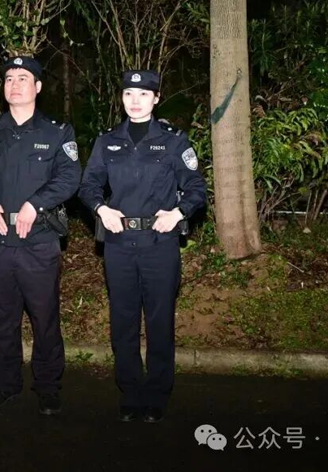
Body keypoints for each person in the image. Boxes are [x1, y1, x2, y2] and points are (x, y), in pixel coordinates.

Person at [78, 70, 206, 423]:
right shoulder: (107, 141)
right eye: (129, 94)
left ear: (156, 98)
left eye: (143, 94)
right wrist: (101, 209)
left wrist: (178, 212)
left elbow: (196, 187)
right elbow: (88, 185)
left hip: (159, 243)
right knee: (123, 320)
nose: (135, 101)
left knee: (159, 320)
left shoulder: (174, 141)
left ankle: (157, 393)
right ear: (121, 98)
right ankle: (131, 390)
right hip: (119, 244)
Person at [0, 56, 81, 416]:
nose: (14, 85)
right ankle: (6, 384)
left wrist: (36, 204)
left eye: (22, 78)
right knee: (2, 319)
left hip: (39, 240)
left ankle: (48, 386)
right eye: (9, 79)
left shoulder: (57, 132)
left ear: (38, 87)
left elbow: (69, 177)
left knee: (44, 318)